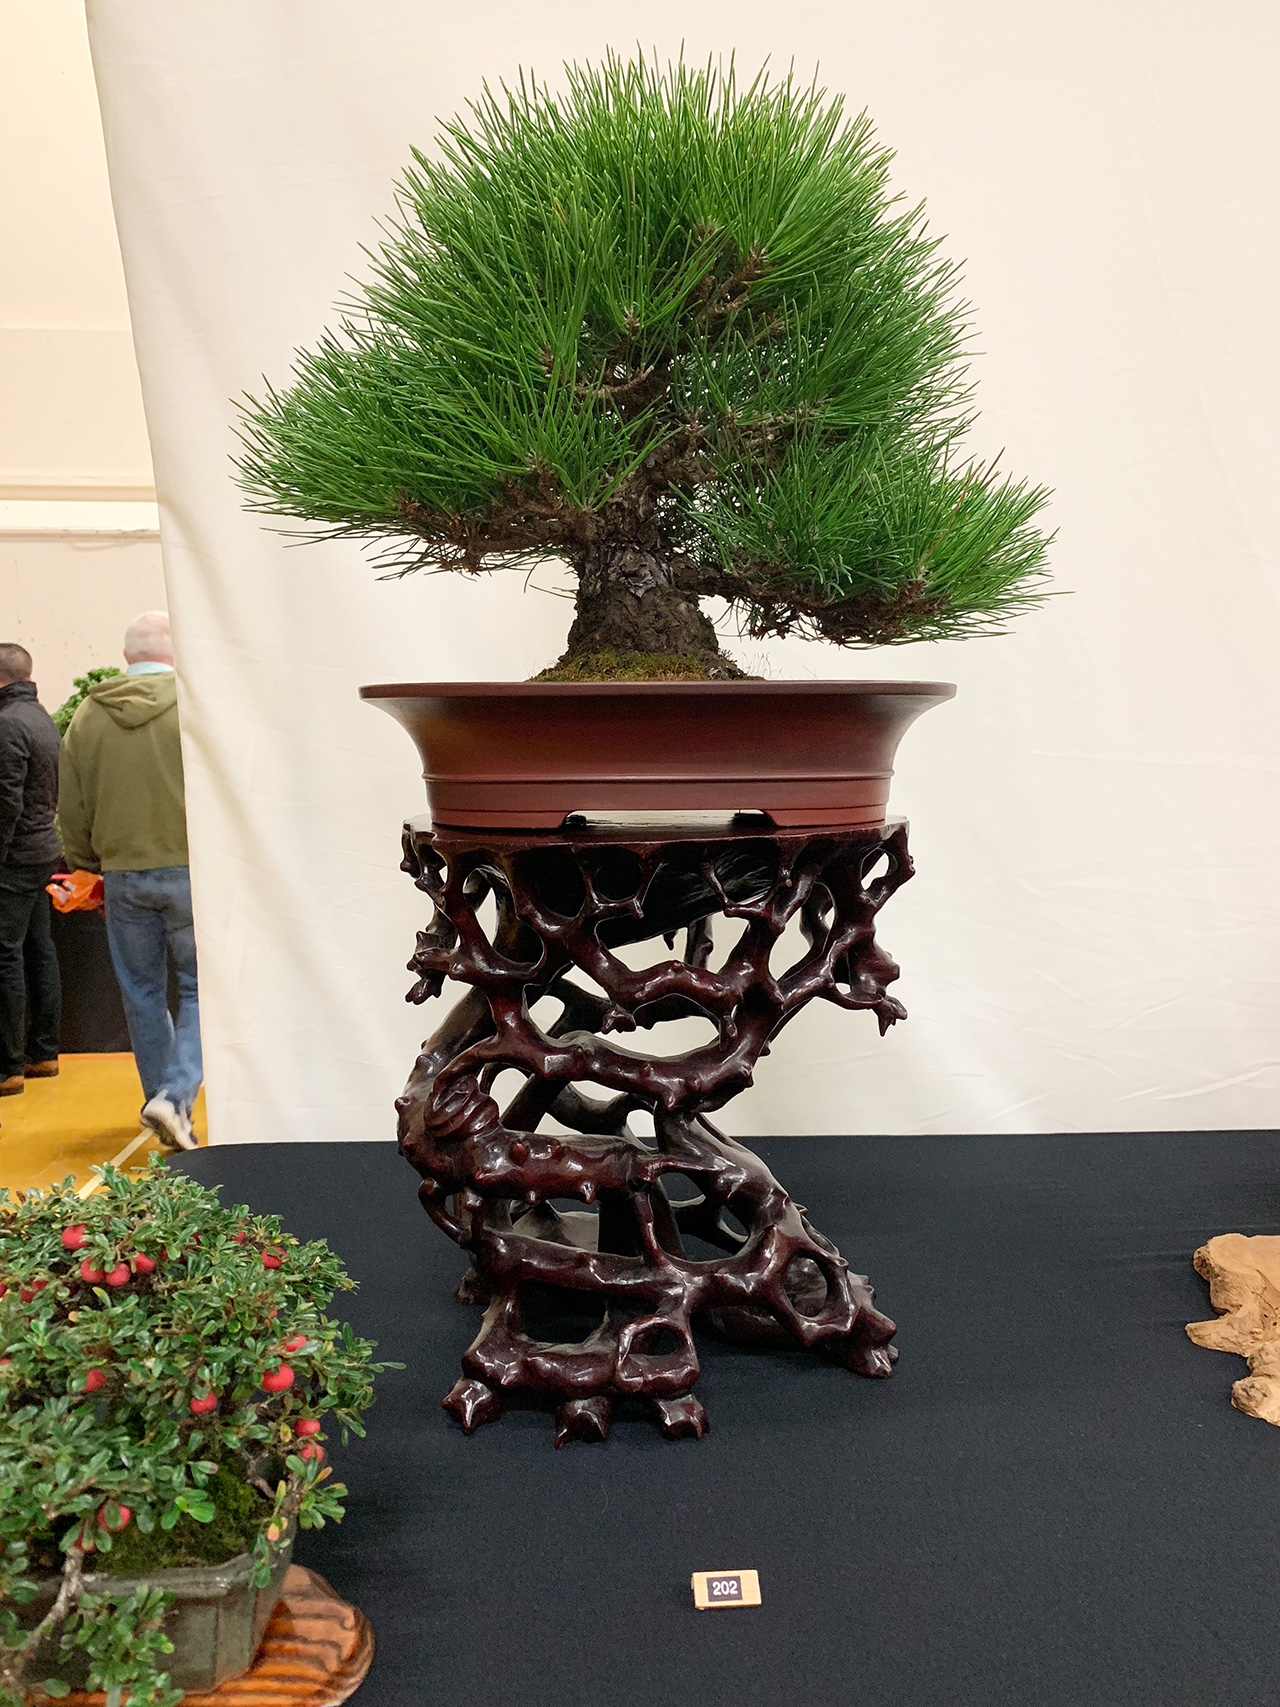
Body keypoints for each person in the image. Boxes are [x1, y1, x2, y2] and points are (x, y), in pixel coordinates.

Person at [56, 612, 200, 1151]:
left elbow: (71, 801)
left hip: (120, 875)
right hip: (190, 871)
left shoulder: (89, 715)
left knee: (141, 993)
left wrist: (85, 862)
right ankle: (175, 1097)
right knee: (201, 989)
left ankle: (159, 1100)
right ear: (176, 652)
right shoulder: (193, 706)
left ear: (125, 657)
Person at [0, 643, 62, 1097]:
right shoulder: (40, 717)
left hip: (15, 856)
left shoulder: (7, 724)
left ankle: (8, 1066)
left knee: (5, 955)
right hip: (42, 851)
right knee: (39, 948)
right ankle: (43, 1052)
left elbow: (6, 801)